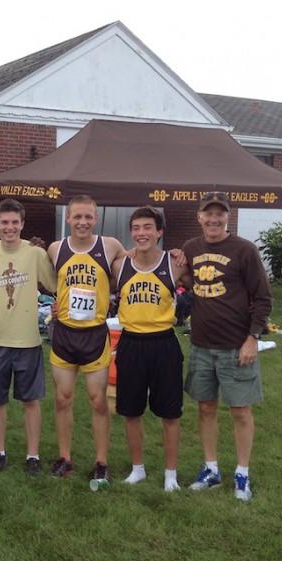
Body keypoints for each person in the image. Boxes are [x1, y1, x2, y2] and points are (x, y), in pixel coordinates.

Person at [183, 192, 272, 502]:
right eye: (208, 214)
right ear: (199, 217)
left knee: (240, 411)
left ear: (228, 217)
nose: (214, 219)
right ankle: (211, 469)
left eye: (220, 214)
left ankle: (242, 473)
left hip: (236, 346)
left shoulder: (244, 250)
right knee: (205, 408)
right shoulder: (191, 248)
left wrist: (252, 338)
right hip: (201, 345)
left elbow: (262, 298)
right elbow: (184, 278)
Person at [0, 198, 56, 476]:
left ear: (22, 223)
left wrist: (49, 253)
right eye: (4, 222)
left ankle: (33, 455)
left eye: (15, 222)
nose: (10, 227)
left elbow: (54, 283)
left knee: (30, 401)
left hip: (28, 340)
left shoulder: (34, 253)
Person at [46, 195, 126, 484]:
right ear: (68, 218)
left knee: (98, 401)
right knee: (62, 398)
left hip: (94, 335)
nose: (82, 222)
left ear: (95, 218)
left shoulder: (110, 246)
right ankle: (64, 458)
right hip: (65, 334)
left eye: (88, 217)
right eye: (77, 217)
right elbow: (44, 279)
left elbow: (138, 265)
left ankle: (102, 461)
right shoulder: (56, 249)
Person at [112, 207, 185, 491]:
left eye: (147, 227)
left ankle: (171, 475)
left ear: (159, 232)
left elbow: (197, 284)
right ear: (131, 232)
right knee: (131, 411)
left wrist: (182, 253)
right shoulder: (121, 265)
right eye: (136, 228)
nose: (141, 233)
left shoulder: (175, 264)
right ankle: (138, 469)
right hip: (131, 343)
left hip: (163, 343)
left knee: (170, 413)